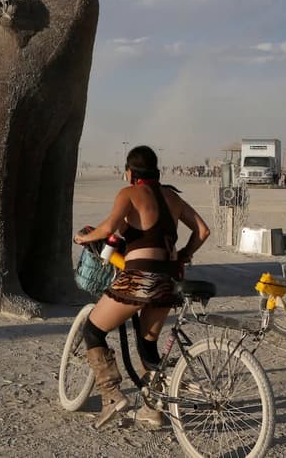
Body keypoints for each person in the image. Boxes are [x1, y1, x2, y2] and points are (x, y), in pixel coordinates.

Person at [73, 145, 210, 428]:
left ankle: (111, 396)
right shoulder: (172, 196)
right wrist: (184, 254)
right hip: (169, 279)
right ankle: (154, 409)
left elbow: (108, 228)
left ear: (130, 171)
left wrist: (83, 239)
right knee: (148, 345)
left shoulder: (130, 193)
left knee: (93, 330)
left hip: (140, 278)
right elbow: (202, 231)